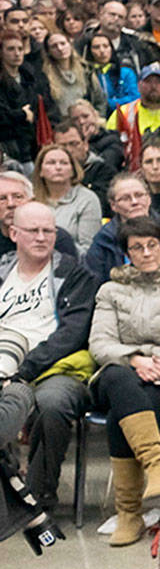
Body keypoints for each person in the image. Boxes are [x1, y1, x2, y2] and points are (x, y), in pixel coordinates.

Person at [87, 216, 160, 544]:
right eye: (137, 248)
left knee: (119, 417)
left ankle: (129, 514)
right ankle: (155, 465)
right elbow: (100, 343)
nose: (146, 252)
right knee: (116, 376)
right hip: (125, 373)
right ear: (126, 254)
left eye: (152, 245)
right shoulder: (111, 290)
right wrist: (136, 360)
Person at [0, 200, 95, 508]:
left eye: (48, 231)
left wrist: (23, 369)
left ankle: (37, 495)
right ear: (14, 233)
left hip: (55, 367)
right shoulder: (2, 271)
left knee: (52, 404)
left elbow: (73, 333)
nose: (41, 237)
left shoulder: (76, 274)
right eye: (33, 231)